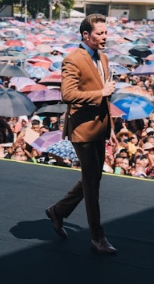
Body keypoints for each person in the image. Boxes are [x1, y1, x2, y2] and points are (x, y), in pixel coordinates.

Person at [46, 14, 118, 255]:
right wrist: (100, 92)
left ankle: (58, 211)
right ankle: (97, 237)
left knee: (94, 178)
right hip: (82, 129)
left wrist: (111, 127)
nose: (105, 37)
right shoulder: (72, 59)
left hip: (100, 127)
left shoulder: (104, 58)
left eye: (105, 32)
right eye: (100, 33)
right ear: (86, 35)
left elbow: (105, 98)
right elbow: (67, 94)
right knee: (92, 183)